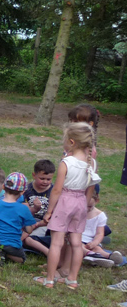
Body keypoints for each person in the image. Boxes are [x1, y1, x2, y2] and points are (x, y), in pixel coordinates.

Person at [36, 122, 99, 290]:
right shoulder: (92, 163)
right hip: (81, 202)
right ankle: (72, 279)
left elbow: (57, 190)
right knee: (76, 243)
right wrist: (83, 205)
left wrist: (49, 211)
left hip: (65, 202)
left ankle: (49, 279)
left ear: (72, 142)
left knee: (56, 243)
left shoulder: (66, 162)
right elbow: (90, 188)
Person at [81, 189, 125, 267]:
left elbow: (100, 233)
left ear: (96, 201)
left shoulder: (100, 215)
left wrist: (94, 243)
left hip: (90, 240)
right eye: (85, 205)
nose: (87, 208)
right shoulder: (76, 212)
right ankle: (91, 255)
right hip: (78, 239)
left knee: (97, 249)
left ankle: (110, 256)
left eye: (90, 206)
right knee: (77, 245)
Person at [21, 159, 56, 256]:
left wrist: (37, 225)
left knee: (28, 239)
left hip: (44, 224)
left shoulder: (54, 192)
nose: (45, 182)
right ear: (34, 175)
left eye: (48, 179)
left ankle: (50, 254)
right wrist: (34, 209)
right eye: (42, 178)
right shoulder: (26, 190)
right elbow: (24, 213)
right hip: (28, 222)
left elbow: (54, 216)